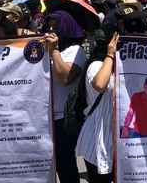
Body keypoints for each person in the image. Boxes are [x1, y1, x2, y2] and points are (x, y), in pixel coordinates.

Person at [45, 10, 87, 183]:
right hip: (44, 118)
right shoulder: (43, 49)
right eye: (48, 27)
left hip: (63, 118)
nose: (52, 32)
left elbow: (65, 79)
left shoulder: (75, 51)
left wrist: (54, 51)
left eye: (57, 27)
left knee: (65, 164)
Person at [75, 26, 119, 183]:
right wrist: (110, 55)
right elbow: (100, 84)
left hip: (112, 138)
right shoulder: (96, 65)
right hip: (97, 138)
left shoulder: (116, 67)